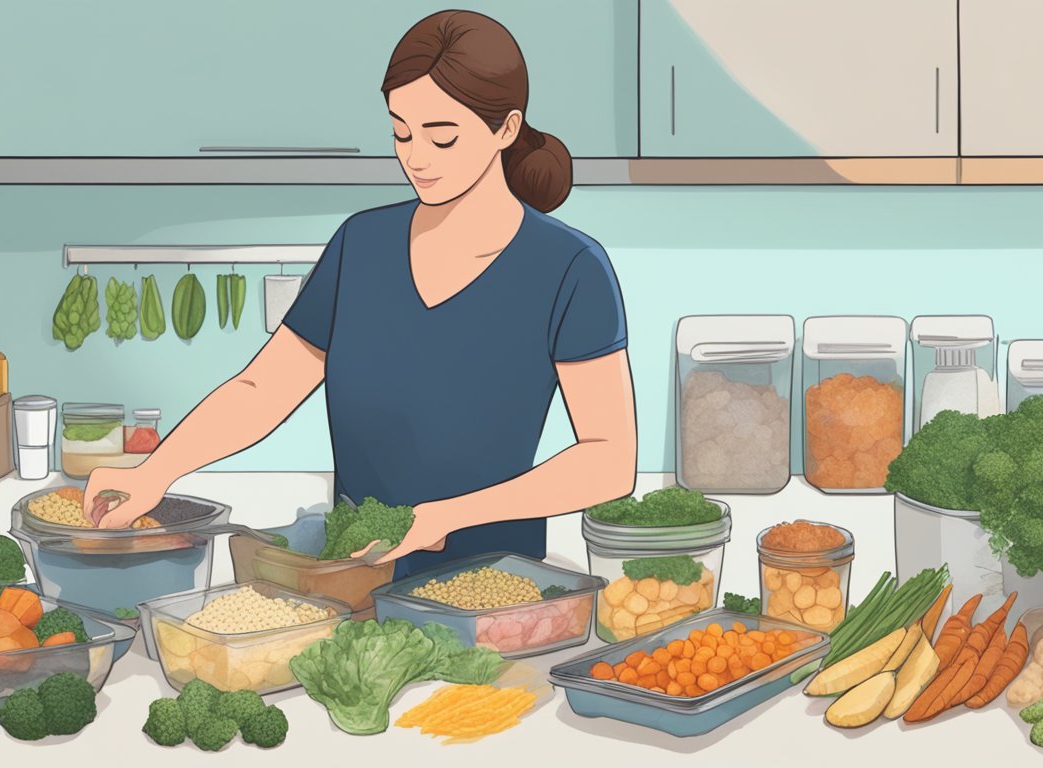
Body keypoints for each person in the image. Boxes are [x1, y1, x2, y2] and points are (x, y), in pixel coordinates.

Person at [84, 10, 637, 579]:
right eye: (401, 131)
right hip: (353, 575)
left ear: (505, 129)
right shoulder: (362, 244)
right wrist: (154, 472)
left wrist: (445, 517)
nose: (416, 157)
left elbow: (609, 459)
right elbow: (262, 388)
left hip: (493, 584)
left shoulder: (569, 268)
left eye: (442, 136)